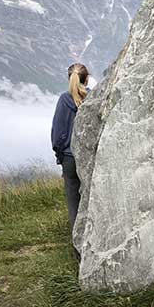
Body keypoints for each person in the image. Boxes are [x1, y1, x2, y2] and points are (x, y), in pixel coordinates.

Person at [51, 63, 90, 257]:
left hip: (69, 158)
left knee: (74, 204)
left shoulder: (64, 100)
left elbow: (58, 134)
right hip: (90, 159)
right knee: (90, 202)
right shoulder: (93, 98)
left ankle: (78, 252)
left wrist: (60, 155)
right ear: (87, 79)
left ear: (69, 78)